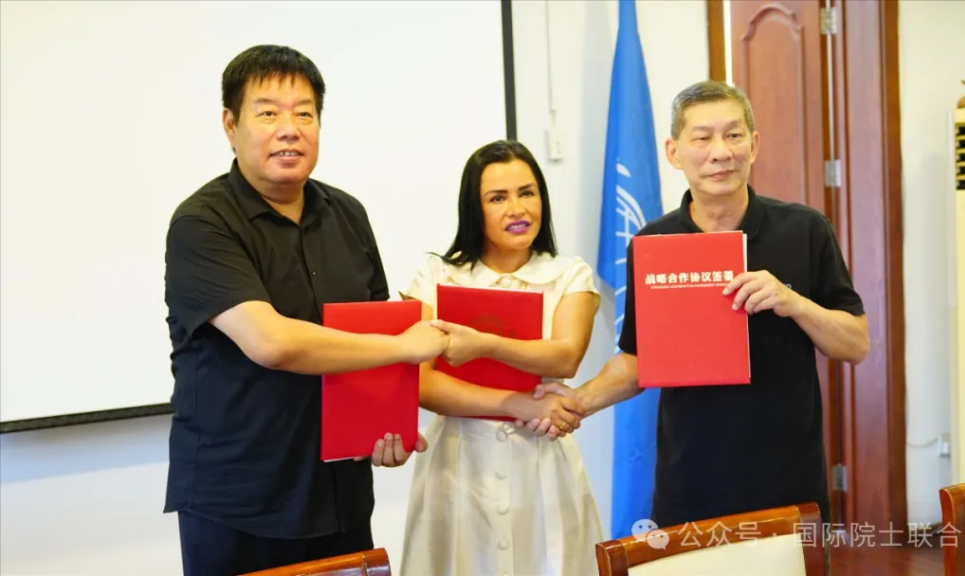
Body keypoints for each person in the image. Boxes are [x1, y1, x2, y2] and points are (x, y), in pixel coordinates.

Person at [525, 80, 870, 572]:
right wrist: (573, 402)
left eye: (733, 136)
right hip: (690, 484)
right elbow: (639, 359)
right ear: (673, 151)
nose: (720, 153)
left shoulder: (805, 229)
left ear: (754, 143)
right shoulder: (653, 242)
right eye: (702, 138)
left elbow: (855, 342)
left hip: (787, 484)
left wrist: (794, 302)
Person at [163, 45, 448, 576]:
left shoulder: (347, 213)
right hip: (240, 506)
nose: (289, 128)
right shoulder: (202, 223)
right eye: (268, 112)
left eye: (305, 113)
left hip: (339, 497)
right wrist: (405, 346)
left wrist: (389, 428)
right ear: (231, 124)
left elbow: (371, 338)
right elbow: (272, 342)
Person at [397, 140, 605, 576]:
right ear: (474, 208)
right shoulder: (438, 276)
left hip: (543, 459)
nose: (517, 209)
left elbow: (565, 357)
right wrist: (515, 403)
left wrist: (485, 343)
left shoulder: (569, 274)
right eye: (498, 198)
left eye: (527, 193)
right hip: (457, 462)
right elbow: (423, 382)